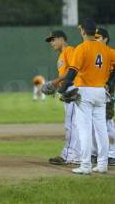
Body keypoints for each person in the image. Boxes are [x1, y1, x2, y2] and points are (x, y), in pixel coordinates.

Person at [59, 19, 115, 174]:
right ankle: (102, 164)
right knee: (101, 129)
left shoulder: (81, 48)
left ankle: (85, 166)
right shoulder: (106, 49)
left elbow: (72, 71)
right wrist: (110, 82)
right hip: (100, 92)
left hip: (85, 92)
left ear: (83, 31)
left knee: (84, 129)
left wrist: (62, 89)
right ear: (95, 32)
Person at [43, 30, 81, 165]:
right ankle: (76, 154)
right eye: (50, 41)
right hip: (68, 90)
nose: (51, 43)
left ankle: (69, 155)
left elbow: (73, 70)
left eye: (53, 40)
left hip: (73, 91)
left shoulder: (70, 50)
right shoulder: (61, 56)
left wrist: (55, 82)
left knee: (71, 124)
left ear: (62, 39)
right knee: (75, 124)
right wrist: (59, 87)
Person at [92, 27, 115, 166]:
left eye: (98, 37)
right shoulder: (95, 54)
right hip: (96, 91)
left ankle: (112, 153)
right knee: (94, 123)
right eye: (94, 37)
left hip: (109, 91)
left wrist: (109, 83)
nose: (96, 39)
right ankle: (96, 153)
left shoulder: (111, 53)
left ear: (105, 39)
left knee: (107, 122)